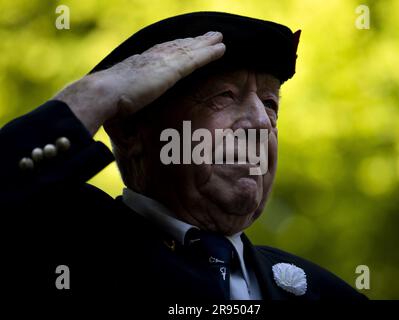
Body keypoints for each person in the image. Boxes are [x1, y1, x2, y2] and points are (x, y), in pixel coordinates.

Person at [0, 11, 366, 300]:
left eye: (270, 103)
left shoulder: (326, 293)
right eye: (223, 96)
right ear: (129, 132)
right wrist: (96, 93)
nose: (260, 122)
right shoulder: (62, 245)